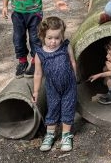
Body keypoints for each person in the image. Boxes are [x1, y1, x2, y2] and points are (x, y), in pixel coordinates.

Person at [32, 16, 77, 152]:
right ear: (42, 36)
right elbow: (38, 74)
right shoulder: (40, 54)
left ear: (62, 36)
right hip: (52, 88)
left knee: (68, 108)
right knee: (53, 108)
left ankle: (66, 135)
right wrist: (36, 91)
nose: (53, 42)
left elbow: (73, 62)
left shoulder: (65, 46)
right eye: (49, 38)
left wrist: (76, 77)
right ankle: (50, 134)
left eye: (57, 38)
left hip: (69, 85)